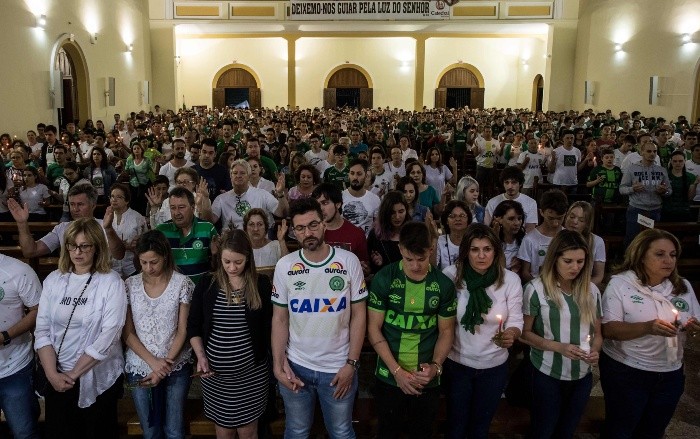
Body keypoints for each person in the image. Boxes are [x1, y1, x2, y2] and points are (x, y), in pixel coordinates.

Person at [271, 198, 367, 439]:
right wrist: (278, 363)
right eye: (300, 228)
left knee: (342, 432)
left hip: (337, 369)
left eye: (313, 225)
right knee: (296, 431)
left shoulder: (348, 262)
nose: (308, 232)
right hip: (295, 367)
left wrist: (351, 364)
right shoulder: (284, 266)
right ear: (293, 230)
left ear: (324, 223)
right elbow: (280, 319)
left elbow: (359, 316)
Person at [600, 229, 700, 439]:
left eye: (673, 255)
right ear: (641, 255)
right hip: (628, 371)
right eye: (660, 254)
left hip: (670, 371)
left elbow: (694, 323)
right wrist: (648, 327)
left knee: (653, 431)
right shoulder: (620, 284)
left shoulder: (683, 287)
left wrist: (694, 328)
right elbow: (609, 329)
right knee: (621, 430)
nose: (668, 260)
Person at [34, 218, 127, 439]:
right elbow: (42, 331)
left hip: (97, 376)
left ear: (97, 247)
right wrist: (52, 374)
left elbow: (110, 334)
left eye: (85, 245)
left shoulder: (111, 282)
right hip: (57, 375)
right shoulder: (54, 280)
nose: (78, 251)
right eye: (72, 245)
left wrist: (74, 374)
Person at [367, 221, 456, 439]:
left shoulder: (443, 285)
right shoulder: (384, 279)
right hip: (389, 376)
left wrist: (435, 367)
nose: (415, 265)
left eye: (421, 259)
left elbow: (446, 332)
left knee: (423, 432)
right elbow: (374, 328)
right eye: (408, 259)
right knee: (388, 432)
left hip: (427, 379)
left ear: (431, 249)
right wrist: (397, 372)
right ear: (400, 249)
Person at [187, 228, 273, 438]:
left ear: (248, 258)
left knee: (248, 431)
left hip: (251, 376)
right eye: (226, 262)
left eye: (238, 262)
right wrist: (200, 356)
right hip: (215, 376)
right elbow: (194, 326)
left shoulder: (260, 284)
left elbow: (269, 326)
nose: (232, 268)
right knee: (223, 431)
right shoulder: (208, 284)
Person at [442, 223, 524, 439]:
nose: (481, 256)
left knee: (480, 426)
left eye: (487, 249)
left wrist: (512, 334)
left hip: (493, 366)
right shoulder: (451, 275)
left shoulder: (510, 280)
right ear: (465, 251)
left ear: (495, 251)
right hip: (458, 363)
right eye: (474, 249)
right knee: (455, 424)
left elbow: (516, 319)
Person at [521, 230, 603, 439]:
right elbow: (524, 333)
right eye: (568, 261)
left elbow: (598, 333)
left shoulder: (591, 291)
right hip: (547, 372)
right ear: (554, 258)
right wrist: (558, 347)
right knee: (543, 429)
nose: (575, 267)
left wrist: (595, 351)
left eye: (580, 261)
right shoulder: (536, 289)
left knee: (567, 430)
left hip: (582, 375)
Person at [123, 230, 195, 439]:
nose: (148, 268)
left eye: (153, 262)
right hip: (140, 364)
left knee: (174, 429)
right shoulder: (130, 285)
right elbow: (128, 332)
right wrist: (153, 363)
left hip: (174, 363)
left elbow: (183, 330)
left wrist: (165, 364)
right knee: (150, 429)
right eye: (143, 262)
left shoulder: (182, 283)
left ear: (165, 256)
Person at [8, 183, 125, 260]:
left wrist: (108, 229)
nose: (75, 209)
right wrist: (22, 223)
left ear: (93, 205)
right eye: (72, 204)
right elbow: (30, 252)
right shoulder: (62, 228)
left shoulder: (104, 225)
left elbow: (119, 255)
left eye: (80, 204)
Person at [0, 254, 42, 439]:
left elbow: (39, 310)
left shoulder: (18, 271)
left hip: (14, 366)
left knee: (24, 432)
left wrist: (5, 336)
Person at [156, 186, 219, 284]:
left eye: (181, 207)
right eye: (173, 208)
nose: (177, 213)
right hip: (172, 292)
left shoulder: (207, 228)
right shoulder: (161, 231)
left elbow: (218, 266)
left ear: (193, 208)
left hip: (201, 290)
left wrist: (216, 255)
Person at [206, 159, 287, 230]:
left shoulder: (262, 194)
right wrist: (205, 200)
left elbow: (282, 213)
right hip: (231, 243)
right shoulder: (221, 198)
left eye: (242, 173)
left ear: (248, 176)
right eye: (235, 173)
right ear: (230, 176)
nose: (238, 176)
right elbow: (210, 220)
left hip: (257, 241)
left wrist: (280, 194)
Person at [619, 140, 672, 247]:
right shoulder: (632, 168)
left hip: (655, 210)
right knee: (633, 240)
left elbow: (669, 190)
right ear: (642, 152)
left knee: (652, 242)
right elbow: (622, 189)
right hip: (636, 209)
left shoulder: (661, 170)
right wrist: (632, 189)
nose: (652, 154)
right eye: (648, 151)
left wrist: (663, 191)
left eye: (654, 151)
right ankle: (630, 262)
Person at [311, 182, 370, 267]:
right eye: (317, 205)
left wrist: (365, 269)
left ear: (338, 204)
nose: (320, 209)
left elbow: (364, 266)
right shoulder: (311, 233)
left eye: (325, 203)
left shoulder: (357, 234)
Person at [517, 189, 568, 284]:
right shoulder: (530, 239)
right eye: (551, 218)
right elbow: (525, 272)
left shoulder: (568, 237)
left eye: (560, 218)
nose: (556, 223)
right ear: (541, 212)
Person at [109, 183, 148, 279]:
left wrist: (133, 246)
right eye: (112, 196)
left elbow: (146, 242)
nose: (114, 200)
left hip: (132, 266)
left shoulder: (137, 218)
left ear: (127, 201)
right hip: (112, 267)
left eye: (119, 197)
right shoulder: (107, 218)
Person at [563, 201, 606, 288]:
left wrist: (581, 288)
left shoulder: (597, 241)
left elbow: (598, 276)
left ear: (587, 224)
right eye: (572, 217)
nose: (575, 221)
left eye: (581, 220)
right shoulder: (558, 237)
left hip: (584, 287)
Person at [484, 166, 538, 233]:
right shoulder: (492, 202)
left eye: (514, 182)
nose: (510, 186)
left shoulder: (531, 202)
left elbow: (530, 230)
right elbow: (487, 228)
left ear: (520, 184)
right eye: (507, 182)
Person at [367, 191, 410, 274]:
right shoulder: (375, 235)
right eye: (392, 213)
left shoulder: (413, 233)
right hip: (384, 283)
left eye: (401, 212)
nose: (397, 217)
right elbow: (369, 267)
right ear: (385, 213)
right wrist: (376, 264)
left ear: (406, 211)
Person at [342, 159, 381, 236]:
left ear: (366, 176)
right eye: (352, 173)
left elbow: (377, 226)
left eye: (359, 174)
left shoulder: (375, 199)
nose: (355, 177)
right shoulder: (340, 197)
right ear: (348, 175)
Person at [491, 199, 526, 273]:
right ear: (498, 219)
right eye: (511, 219)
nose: (517, 223)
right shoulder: (489, 239)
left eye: (519, 218)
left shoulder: (525, 239)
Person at [662, 149, 698, 221]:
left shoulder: (690, 176)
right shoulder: (664, 175)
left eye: (680, 161)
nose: (678, 163)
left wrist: (695, 184)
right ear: (671, 162)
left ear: (685, 161)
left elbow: (690, 197)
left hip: (684, 211)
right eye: (675, 161)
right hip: (667, 211)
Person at [436, 200, 472, 270]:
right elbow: (432, 268)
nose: (458, 219)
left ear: (468, 219)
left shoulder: (474, 240)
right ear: (446, 221)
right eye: (452, 216)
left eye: (462, 215)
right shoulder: (440, 241)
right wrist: (434, 238)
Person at [124, 142, 155, 215]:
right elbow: (126, 172)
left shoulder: (147, 160)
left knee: (143, 205)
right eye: (134, 149)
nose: (136, 150)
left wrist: (157, 163)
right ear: (132, 151)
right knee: (133, 205)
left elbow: (154, 170)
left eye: (138, 148)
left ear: (141, 150)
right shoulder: (130, 160)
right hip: (133, 186)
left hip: (144, 186)